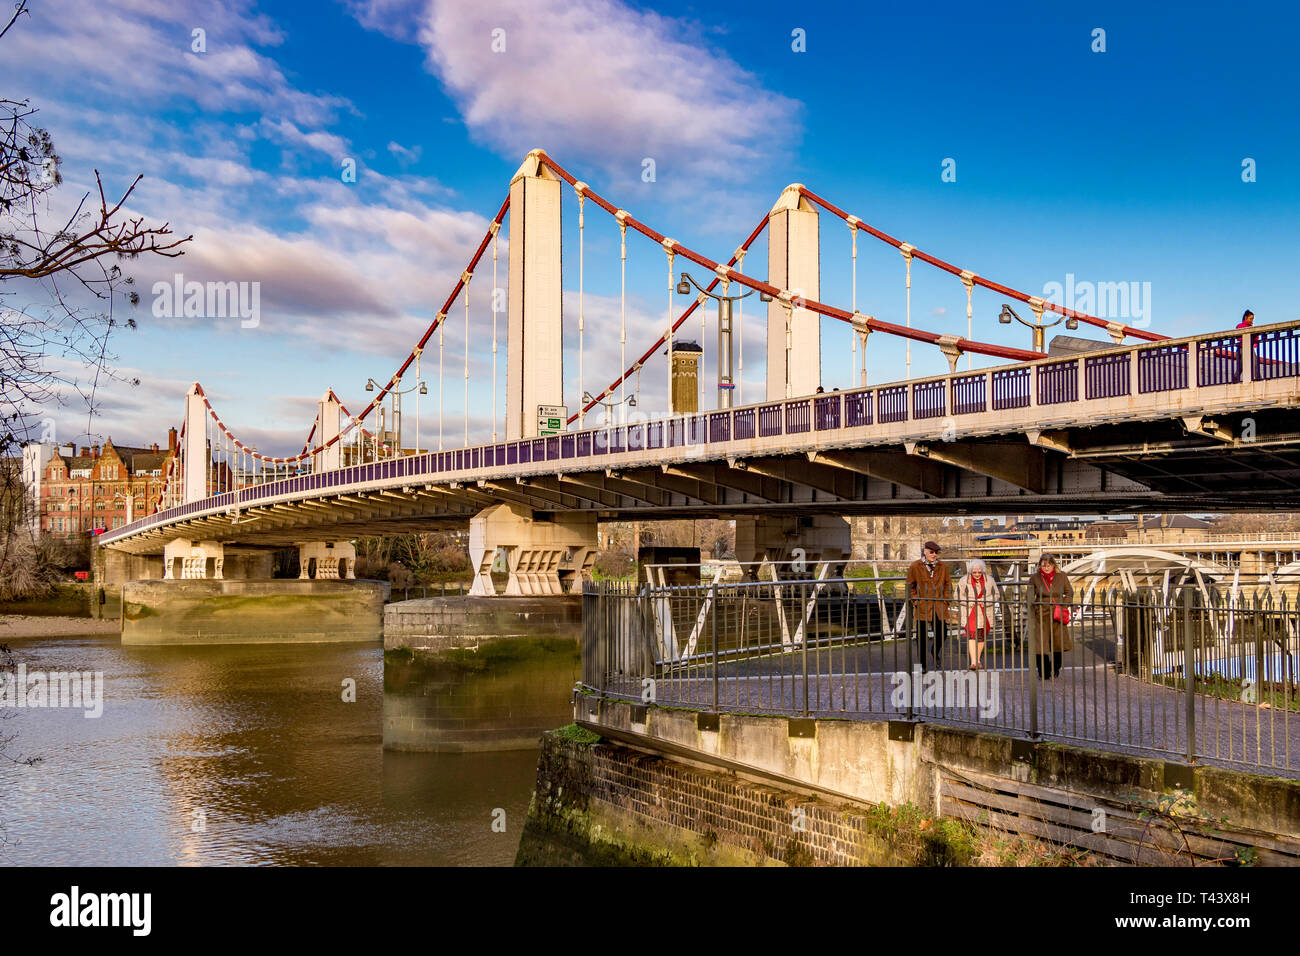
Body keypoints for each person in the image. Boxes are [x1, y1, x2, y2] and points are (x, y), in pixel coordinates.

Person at [906, 540, 951, 671]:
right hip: (923, 607)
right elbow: (910, 586)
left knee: (942, 633)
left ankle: (935, 652)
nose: (934, 555)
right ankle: (922, 665)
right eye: (931, 552)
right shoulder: (915, 566)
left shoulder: (943, 566)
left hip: (939, 607)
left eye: (936, 552)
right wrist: (916, 601)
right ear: (925, 551)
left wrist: (946, 601)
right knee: (921, 637)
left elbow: (948, 584)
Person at [1027, 553, 1073, 679]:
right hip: (1041, 613)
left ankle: (1055, 667)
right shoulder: (1035, 577)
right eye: (1043, 566)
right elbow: (1029, 595)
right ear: (1039, 566)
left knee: (1058, 643)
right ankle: (1043, 672)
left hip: (1057, 612)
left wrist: (1064, 605)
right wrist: (1035, 608)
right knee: (1041, 644)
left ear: (1053, 565)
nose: (1046, 568)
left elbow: (1069, 592)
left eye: (1048, 565)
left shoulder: (1062, 576)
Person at [955, 558, 999, 670]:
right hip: (970, 612)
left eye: (979, 572)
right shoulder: (963, 580)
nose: (977, 574)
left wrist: (985, 601)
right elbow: (957, 596)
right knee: (971, 635)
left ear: (983, 571)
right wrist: (970, 602)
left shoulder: (990, 580)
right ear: (970, 571)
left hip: (984, 611)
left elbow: (996, 595)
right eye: (974, 572)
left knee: (981, 636)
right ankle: (973, 661)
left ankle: (978, 659)